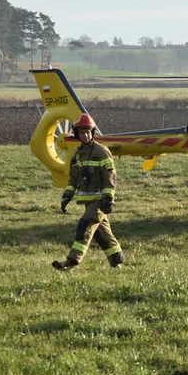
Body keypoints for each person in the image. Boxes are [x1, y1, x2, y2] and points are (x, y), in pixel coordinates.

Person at [53, 114, 124, 270]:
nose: (85, 135)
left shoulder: (101, 151)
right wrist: (67, 196)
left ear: (93, 133)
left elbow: (110, 176)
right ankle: (116, 260)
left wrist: (108, 198)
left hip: (99, 200)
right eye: (82, 132)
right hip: (87, 200)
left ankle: (72, 261)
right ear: (77, 134)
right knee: (102, 232)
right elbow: (73, 178)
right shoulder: (78, 154)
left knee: (84, 227)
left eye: (88, 132)